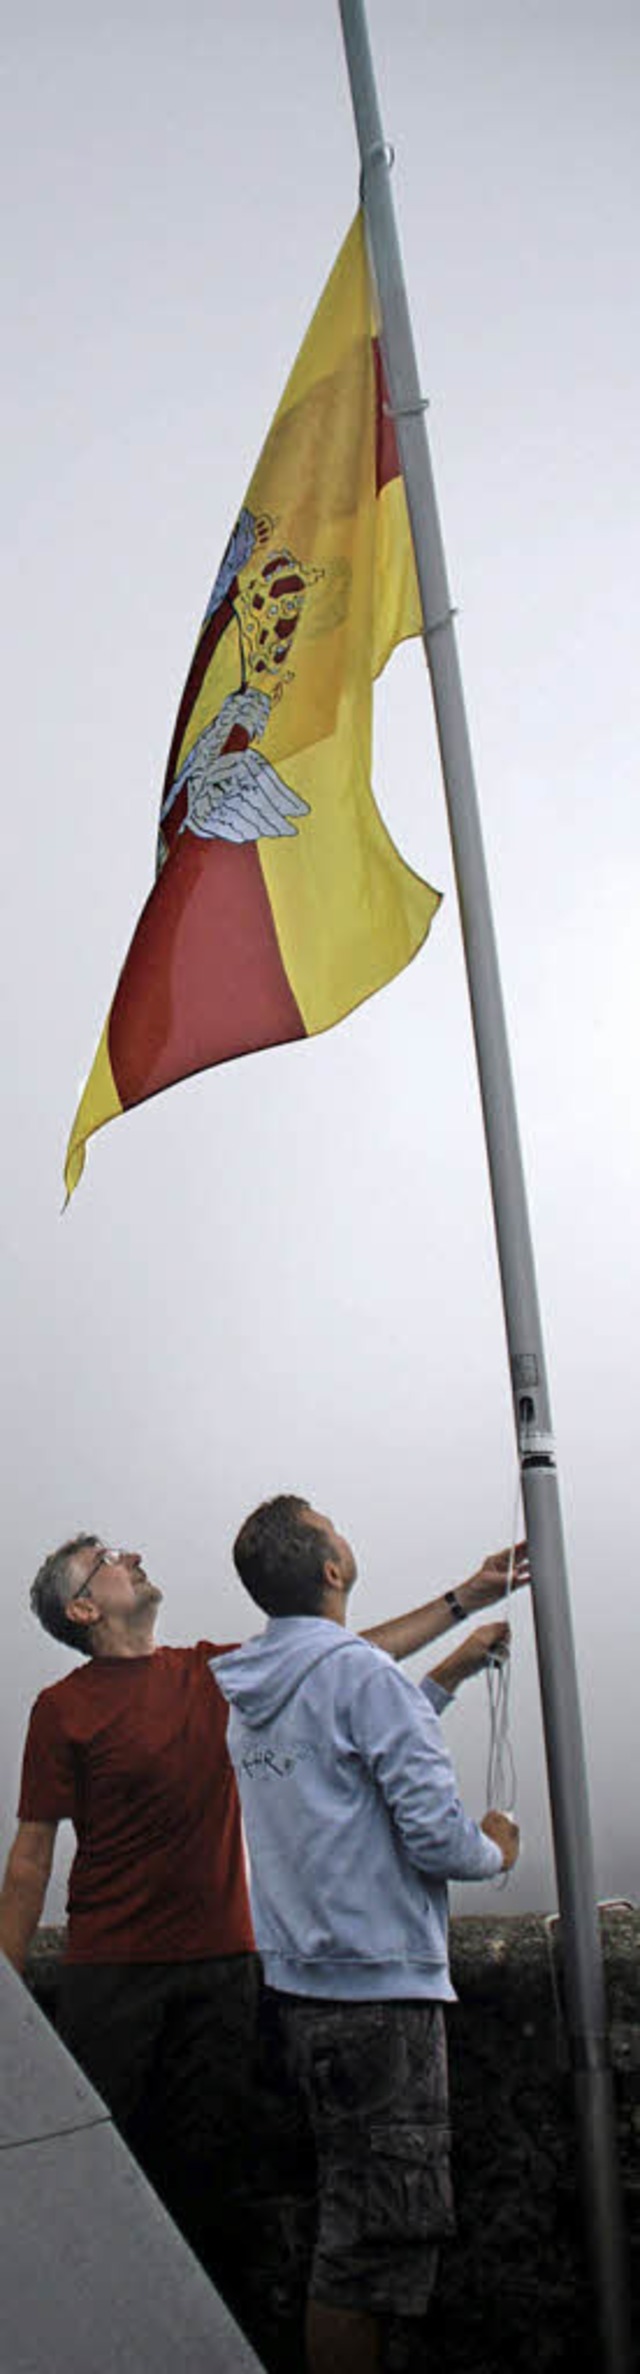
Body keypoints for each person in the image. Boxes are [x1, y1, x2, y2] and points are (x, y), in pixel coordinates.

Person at [0, 1526, 525, 2344]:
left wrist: (464, 1602)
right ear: (80, 1607)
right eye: (108, 1561)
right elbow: (32, 1856)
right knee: (108, 2180)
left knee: (213, 2190)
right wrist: (8, 2000)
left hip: (225, 1969)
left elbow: (335, 1658)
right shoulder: (62, 1710)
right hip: (112, 1975)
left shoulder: (214, 1674)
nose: (132, 1556)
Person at [213, 1496, 522, 2374]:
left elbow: (344, 1758)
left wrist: (446, 1677)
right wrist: (493, 1848)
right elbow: (434, 1837)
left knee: (347, 2230)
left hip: (303, 1992)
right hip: (381, 1998)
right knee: (368, 2254)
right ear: (332, 1569)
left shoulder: (252, 1687)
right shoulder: (359, 1677)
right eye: (333, 1525)